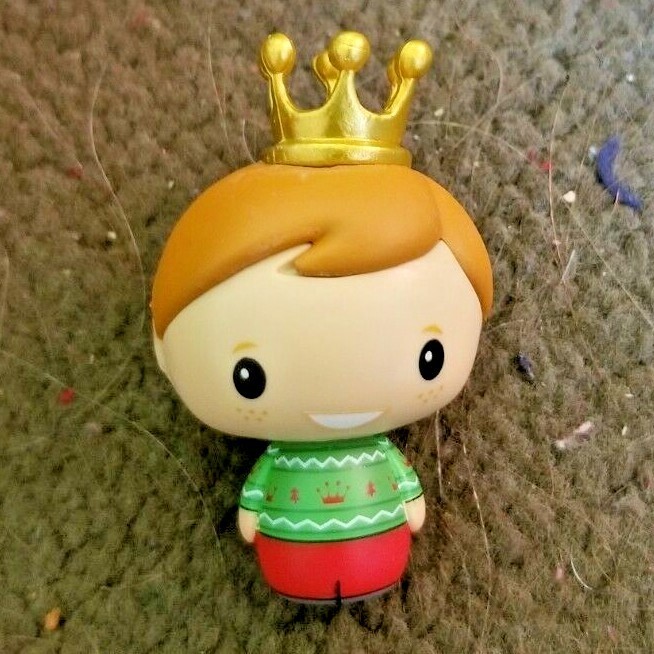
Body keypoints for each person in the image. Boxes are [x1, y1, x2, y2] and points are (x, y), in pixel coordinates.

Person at [151, 31, 492, 603]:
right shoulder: (299, 457)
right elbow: (262, 495)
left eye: (428, 359)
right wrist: (256, 509)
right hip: (291, 553)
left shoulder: (373, 456)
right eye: (248, 376)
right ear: (163, 348)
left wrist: (407, 499)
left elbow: (398, 487)